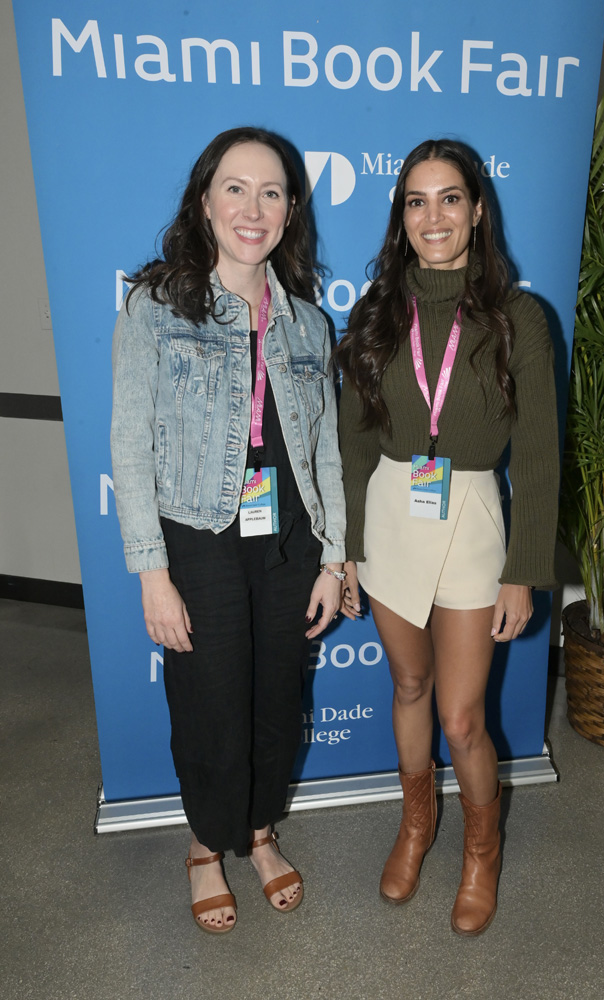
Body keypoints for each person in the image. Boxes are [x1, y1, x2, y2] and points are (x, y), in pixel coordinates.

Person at [111, 127, 346, 934]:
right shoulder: (156, 306)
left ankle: (258, 829)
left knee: (279, 700)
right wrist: (152, 570)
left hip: (291, 543)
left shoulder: (311, 325)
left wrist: (334, 559)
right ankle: (207, 846)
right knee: (212, 702)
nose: (255, 208)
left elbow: (327, 455)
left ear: (290, 211)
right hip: (199, 540)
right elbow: (128, 443)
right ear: (205, 201)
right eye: (237, 188)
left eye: (273, 191)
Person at [336, 138, 559, 935]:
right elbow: (356, 443)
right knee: (407, 689)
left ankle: (480, 850)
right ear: (401, 218)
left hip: (471, 520)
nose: (434, 216)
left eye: (450, 198)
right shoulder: (372, 315)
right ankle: (416, 824)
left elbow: (536, 452)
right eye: (416, 201)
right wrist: (351, 549)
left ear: (476, 210)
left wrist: (524, 570)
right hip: (394, 514)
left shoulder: (518, 319)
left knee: (463, 718)